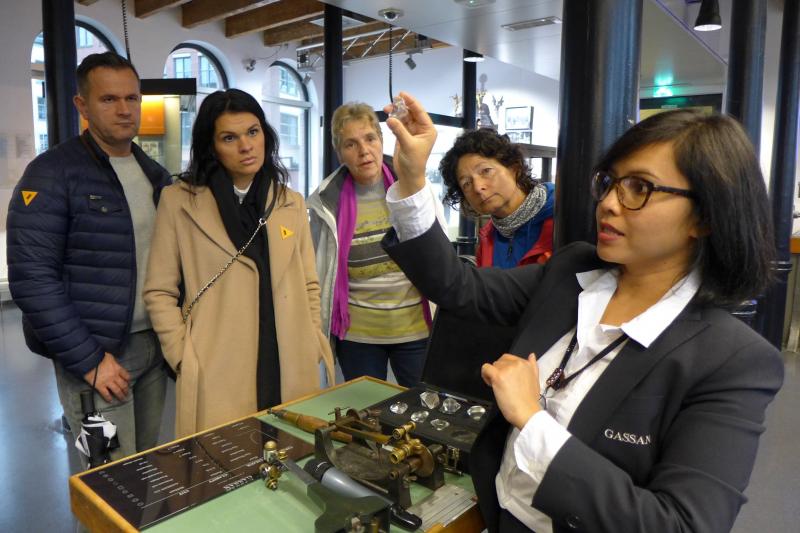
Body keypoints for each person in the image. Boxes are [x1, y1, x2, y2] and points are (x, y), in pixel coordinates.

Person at [379, 92, 784, 532]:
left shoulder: (731, 361)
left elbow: (681, 524)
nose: (608, 203)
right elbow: (460, 287)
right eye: (609, 182)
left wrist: (531, 419)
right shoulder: (572, 271)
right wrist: (412, 179)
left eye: (639, 188)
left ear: (703, 216)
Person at [7, 52, 170, 465]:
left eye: (131, 98)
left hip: (152, 349)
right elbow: (32, 279)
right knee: (106, 476)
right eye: (108, 99)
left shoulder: (153, 173)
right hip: (97, 356)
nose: (124, 110)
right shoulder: (51, 174)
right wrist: (90, 361)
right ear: (82, 105)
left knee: (144, 468)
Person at [144, 89, 334, 437]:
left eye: (252, 132)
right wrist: (183, 355)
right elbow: (159, 290)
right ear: (211, 146)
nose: (246, 146)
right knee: (227, 458)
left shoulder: (289, 201)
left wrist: (312, 338)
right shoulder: (179, 201)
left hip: (288, 358)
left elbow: (308, 281)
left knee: (291, 454)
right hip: (217, 363)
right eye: (229, 138)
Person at [308, 102, 442, 388]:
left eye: (370, 138)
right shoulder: (325, 202)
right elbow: (319, 271)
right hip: (358, 336)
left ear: (382, 141)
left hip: (416, 330)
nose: (363, 151)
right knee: (366, 411)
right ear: (339, 152)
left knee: (422, 406)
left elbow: (436, 250)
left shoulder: (413, 186)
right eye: (351, 144)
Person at [439, 128, 554, 268]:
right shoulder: (487, 238)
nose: (478, 187)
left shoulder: (562, 216)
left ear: (514, 168)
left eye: (486, 171)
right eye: (466, 183)